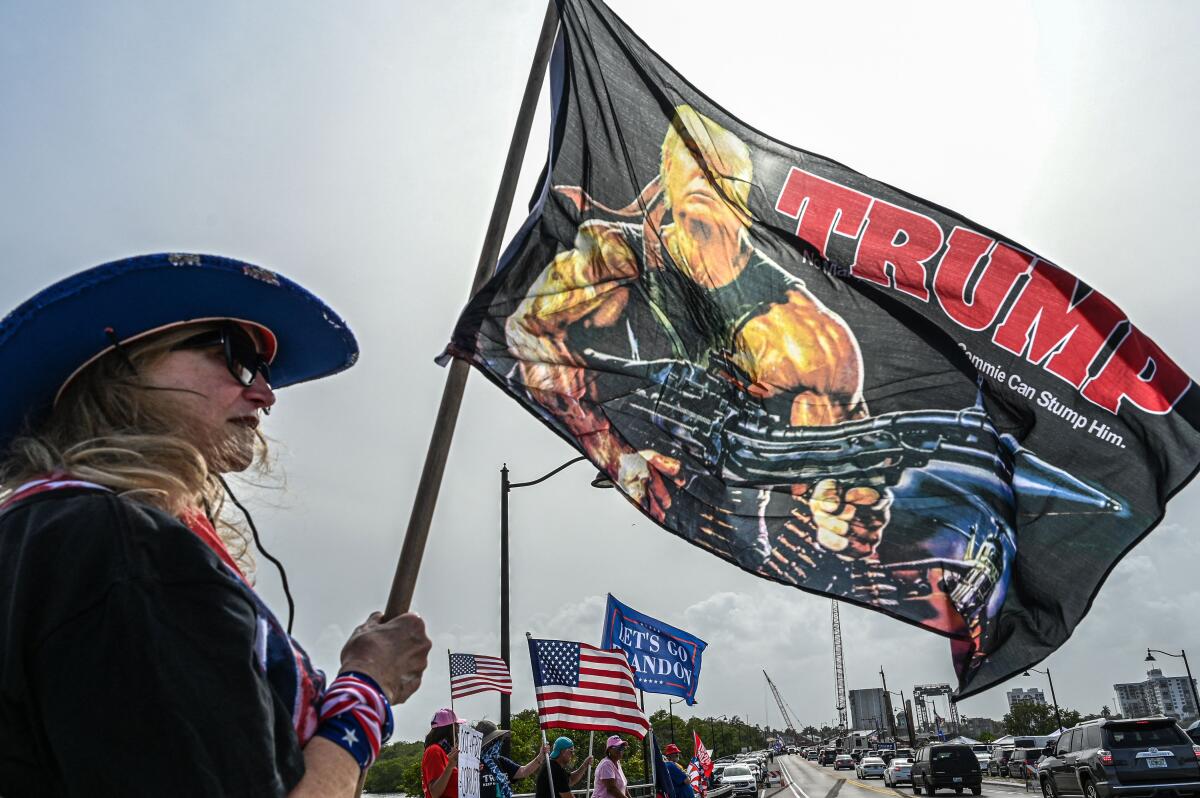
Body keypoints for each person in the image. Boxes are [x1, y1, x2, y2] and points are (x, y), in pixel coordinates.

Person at [0, 253, 433, 797]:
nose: (265, 394)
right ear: (120, 366)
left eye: (265, 372)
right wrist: (368, 685)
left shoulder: (46, 532)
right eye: (235, 356)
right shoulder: (125, 547)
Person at [475, 719, 550, 798]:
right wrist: (474, 773)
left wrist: (541, 756)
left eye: (500, 739)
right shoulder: (473, 763)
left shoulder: (500, 761)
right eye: (495, 740)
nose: (499, 742)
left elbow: (523, 771)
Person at [424, 709, 462, 798]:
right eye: (456, 725)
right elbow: (435, 793)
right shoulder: (434, 751)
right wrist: (450, 766)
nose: (458, 729)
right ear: (449, 728)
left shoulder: (446, 751)